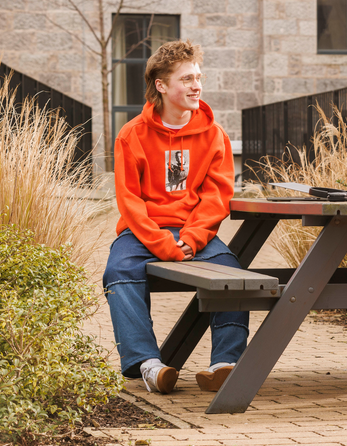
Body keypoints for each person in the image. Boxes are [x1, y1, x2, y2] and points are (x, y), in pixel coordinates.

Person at [103, 40, 248, 394]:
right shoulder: (132, 135)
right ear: (162, 85)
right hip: (143, 233)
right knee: (118, 272)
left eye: (198, 77)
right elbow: (130, 201)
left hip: (194, 233)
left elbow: (217, 195)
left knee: (233, 273)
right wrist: (163, 244)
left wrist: (194, 237)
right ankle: (149, 364)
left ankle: (224, 364)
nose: (196, 85)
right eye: (186, 79)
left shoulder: (214, 135)